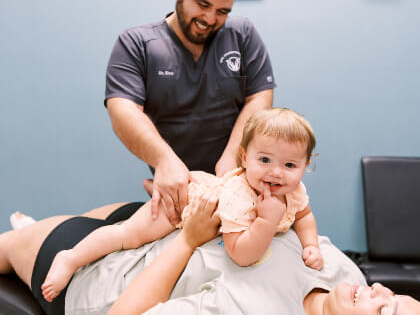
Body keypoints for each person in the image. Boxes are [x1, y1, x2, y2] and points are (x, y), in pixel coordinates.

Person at [0, 199, 420, 315]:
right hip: (150, 231)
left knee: (12, 246)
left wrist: (188, 239)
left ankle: (28, 241)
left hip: (99, 278)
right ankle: (38, 228)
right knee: (84, 218)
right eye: (393, 295)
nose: (379, 292)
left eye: (385, 312)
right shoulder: (341, 270)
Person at [40, 108, 324, 302]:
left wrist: (310, 244)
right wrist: (265, 222)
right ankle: (71, 257)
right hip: (188, 205)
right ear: (244, 156)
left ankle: (159, 187)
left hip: (208, 185)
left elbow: (304, 216)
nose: (276, 172)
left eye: (289, 165)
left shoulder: (295, 190)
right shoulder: (241, 198)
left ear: (305, 165)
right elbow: (240, 253)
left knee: (199, 185)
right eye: (264, 160)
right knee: (129, 235)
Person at [104, 0, 275, 226]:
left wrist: (230, 163)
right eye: (202, 4)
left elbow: (259, 98)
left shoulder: (242, 34)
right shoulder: (136, 44)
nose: (209, 19)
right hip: (178, 195)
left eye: (222, 11)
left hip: (240, 187)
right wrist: (165, 161)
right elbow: (123, 110)